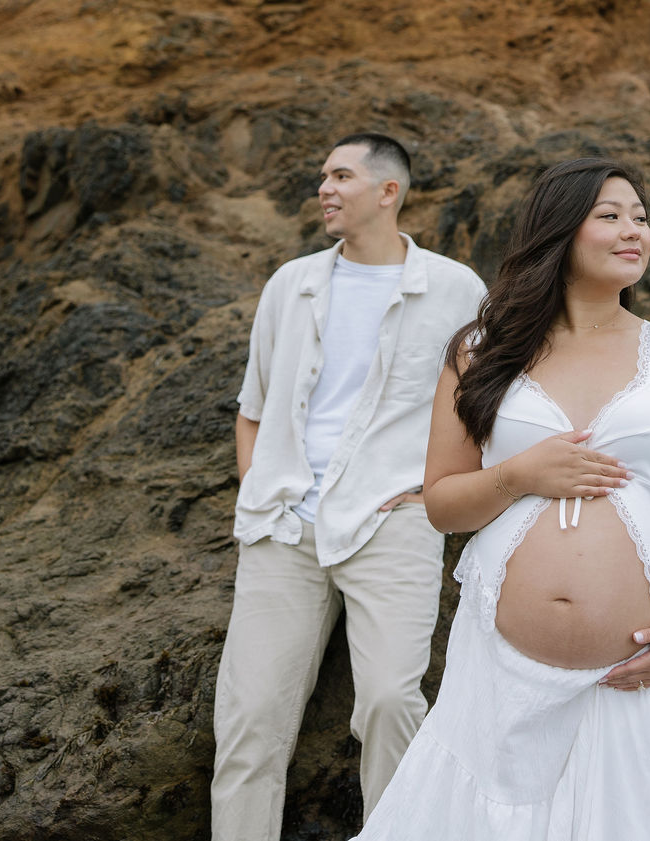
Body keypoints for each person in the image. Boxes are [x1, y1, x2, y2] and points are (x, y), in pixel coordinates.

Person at [353, 156, 650, 841]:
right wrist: (520, 474)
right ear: (560, 232)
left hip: (638, 674)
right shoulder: (480, 352)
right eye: (611, 216)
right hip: (497, 680)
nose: (635, 232)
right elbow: (443, 504)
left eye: (642, 218)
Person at [211, 132, 487, 841]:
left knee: (393, 701)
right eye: (322, 175)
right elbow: (252, 408)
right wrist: (258, 497)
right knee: (249, 723)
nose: (324, 188)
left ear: (387, 191)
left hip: (394, 521)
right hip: (284, 527)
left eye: (340, 175)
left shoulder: (457, 290)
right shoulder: (290, 283)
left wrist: (438, 494)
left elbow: (484, 411)